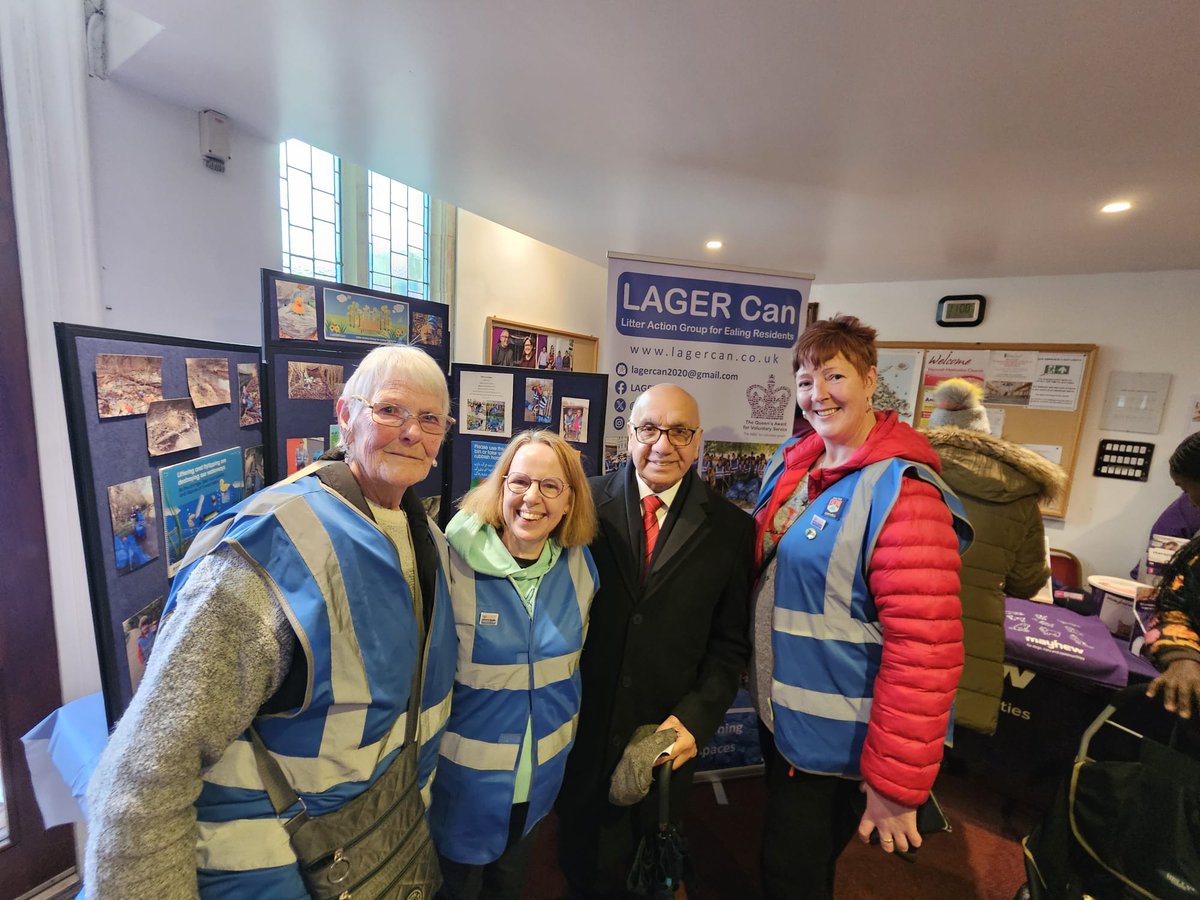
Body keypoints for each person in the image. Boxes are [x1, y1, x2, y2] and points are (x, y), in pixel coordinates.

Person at [85, 345, 458, 898]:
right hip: (271, 873)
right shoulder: (268, 548)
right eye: (390, 410)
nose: (411, 432)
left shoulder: (421, 534)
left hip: (373, 852)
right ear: (345, 415)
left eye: (430, 419)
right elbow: (145, 773)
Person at [751, 316, 971, 900]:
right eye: (804, 379)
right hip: (784, 715)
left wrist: (896, 784)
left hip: (838, 733)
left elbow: (926, 651)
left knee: (790, 873)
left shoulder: (906, 495)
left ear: (871, 380)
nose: (816, 393)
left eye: (834, 376)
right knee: (791, 860)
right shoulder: (796, 466)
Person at [556, 383, 755, 898]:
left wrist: (692, 721)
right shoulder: (582, 505)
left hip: (663, 733)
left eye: (680, 431)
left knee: (643, 875)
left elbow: (730, 645)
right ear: (629, 433)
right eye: (649, 429)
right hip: (581, 726)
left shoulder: (731, 528)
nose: (663, 444)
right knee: (577, 862)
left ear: (698, 440)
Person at [430, 430, 599, 900]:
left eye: (550, 486)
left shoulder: (580, 566)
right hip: (462, 783)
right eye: (519, 481)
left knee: (510, 885)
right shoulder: (450, 562)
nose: (532, 498)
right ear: (500, 487)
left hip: (539, 777)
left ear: (569, 502)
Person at [925, 378, 1066, 735]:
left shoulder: (904, 469)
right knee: (942, 736)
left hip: (895, 625)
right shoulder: (1021, 490)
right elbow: (1028, 581)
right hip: (970, 638)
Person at [1131, 432, 1200, 579]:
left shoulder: (1187, 513)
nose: (1191, 502)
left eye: (1186, 490)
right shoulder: (1182, 514)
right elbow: (1151, 575)